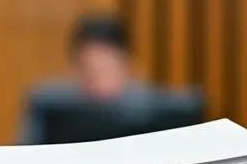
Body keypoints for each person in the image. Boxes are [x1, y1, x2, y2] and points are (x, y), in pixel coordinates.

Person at [18, 13, 156, 145]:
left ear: (126, 66)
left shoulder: (152, 110)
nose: (98, 83)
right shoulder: (49, 106)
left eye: (105, 70)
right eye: (89, 72)